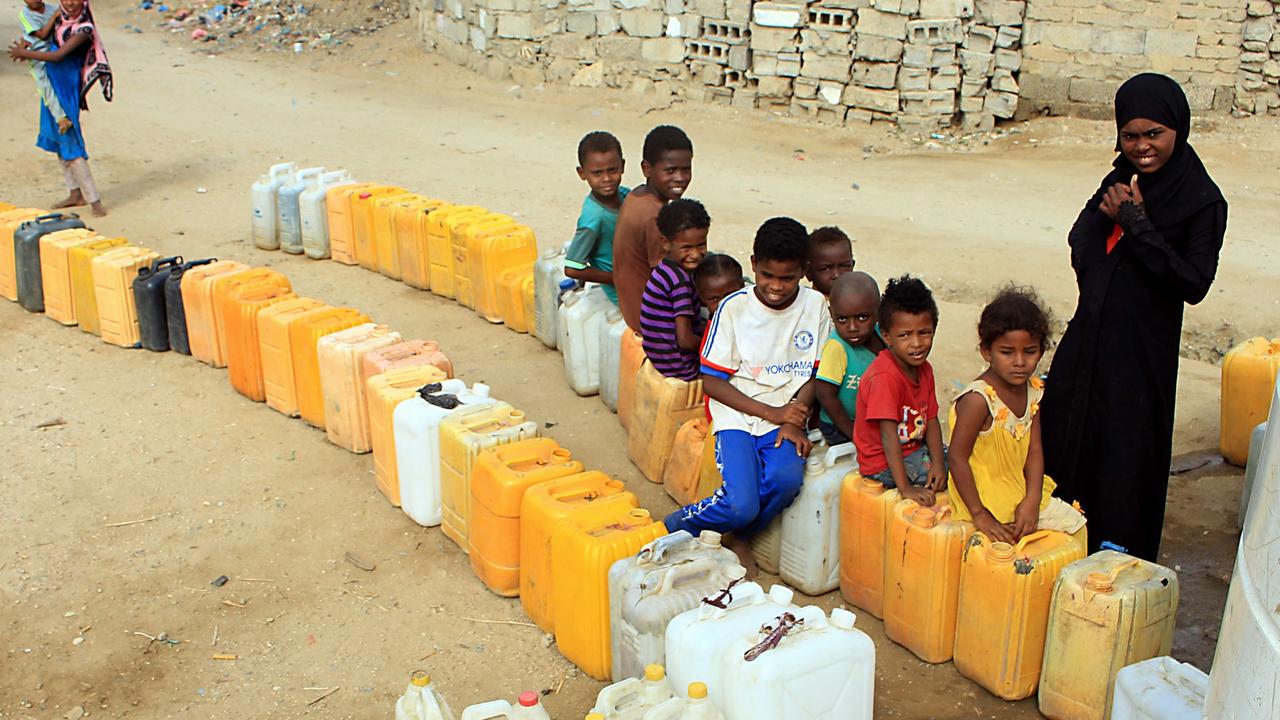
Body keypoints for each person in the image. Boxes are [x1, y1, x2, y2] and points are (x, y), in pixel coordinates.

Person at [1041, 73, 1226, 561]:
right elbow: (1081, 237)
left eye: (1154, 134)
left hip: (1141, 359)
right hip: (1090, 341)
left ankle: (1114, 567)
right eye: (1130, 135)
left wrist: (1137, 226)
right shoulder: (1121, 178)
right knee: (1068, 441)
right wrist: (1106, 275)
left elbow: (1193, 283)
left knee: (1125, 461)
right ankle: (1061, 552)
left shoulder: (1201, 201)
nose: (1142, 147)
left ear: (1178, 130)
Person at [665, 217, 830, 573]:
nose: (775, 287)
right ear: (754, 265)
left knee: (786, 480)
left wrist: (795, 415)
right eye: (768, 275)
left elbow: (817, 373)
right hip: (737, 413)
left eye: (787, 278)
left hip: (786, 415)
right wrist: (773, 414)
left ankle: (741, 535)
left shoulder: (816, 306)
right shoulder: (732, 309)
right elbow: (712, 383)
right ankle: (676, 525)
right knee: (742, 502)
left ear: (803, 271)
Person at [947, 287, 1086, 544]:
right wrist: (980, 514)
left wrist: (1032, 500)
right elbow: (956, 458)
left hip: (1018, 491)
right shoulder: (979, 400)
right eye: (1007, 352)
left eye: (1030, 351)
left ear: (1041, 351)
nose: (1020, 362)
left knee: (1077, 528)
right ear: (987, 352)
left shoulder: (1034, 392)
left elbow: (1034, 450)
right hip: (980, 497)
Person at [8, 0, 112, 217]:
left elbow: (57, 56)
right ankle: (75, 192)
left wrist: (25, 53)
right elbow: (40, 38)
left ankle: (95, 201)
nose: (70, 3)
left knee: (72, 143)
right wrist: (28, 45)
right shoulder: (60, 20)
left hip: (65, 89)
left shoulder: (84, 28)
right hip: (52, 86)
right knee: (59, 142)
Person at [852, 275, 946, 507]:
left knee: (960, 462)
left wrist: (938, 463)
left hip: (914, 448)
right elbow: (888, 436)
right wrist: (905, 488)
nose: (916, 343)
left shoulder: (925, 370)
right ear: (887, 336)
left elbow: (931, 419)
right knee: (945, 480)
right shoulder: (884, 377)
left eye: (924, 332)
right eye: (904, 335)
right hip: (882, 460)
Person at [613, 125, 693, 332]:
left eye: (686, 169)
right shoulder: (654, 216)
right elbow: (667, 275)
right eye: (670, 170)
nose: (680, 178)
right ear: (647, 169)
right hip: (648, 317)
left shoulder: (637, 195)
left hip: (631, 302)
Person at [640, 199, 710, 382]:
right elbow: (685, 340)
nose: (695, 254)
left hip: (659, 357)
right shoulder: (680, 283)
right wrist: (713, 348)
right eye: (687, 248)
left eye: (701, 245)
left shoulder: (664, 269)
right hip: (680, 366)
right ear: (666, 243)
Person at [815, 272, 885, 446]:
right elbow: (826, 395)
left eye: (862, 317)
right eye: (842, 319)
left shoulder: (883, 335)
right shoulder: (837, 347)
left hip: (871, 420)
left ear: (878, 311)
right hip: (840, 425)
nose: (852, 328)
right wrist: (855, 434)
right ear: (832, 314)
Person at [564, 131, 629, 304]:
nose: (607, 179)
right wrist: (618, 278)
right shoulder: (594, 218)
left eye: (612, 170)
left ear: (622, 166)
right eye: (597, 173)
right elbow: (572, 268)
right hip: (627, 295)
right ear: (582, 173)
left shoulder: (625, 195)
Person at [19, 0, 71, 134]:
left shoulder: (52, 8)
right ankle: (61, 118)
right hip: (37, 53)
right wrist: (54, 17)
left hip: (55, 49)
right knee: (44, 84)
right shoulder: (25, 14)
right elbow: (42, 35)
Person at [693, 253, 744, 321]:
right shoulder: (713, 328)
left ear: (742, 287)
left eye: (730, 296)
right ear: (702, 298)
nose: (723, 304)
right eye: (714, 298)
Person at [806, 226, 855, 297]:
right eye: (825, 269)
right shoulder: (807, 306)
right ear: (808, 272)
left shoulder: (862, 302)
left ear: (852, 265)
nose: (837, 275)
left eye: (844, 266)